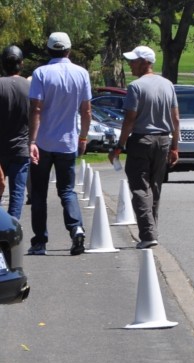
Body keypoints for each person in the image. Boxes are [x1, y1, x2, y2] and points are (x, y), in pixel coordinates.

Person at [108, 45, 179, 249]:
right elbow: (176, 119)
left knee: (140, 188)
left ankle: (148, 234)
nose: (131, 64)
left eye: (134, 61)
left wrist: (119, 146)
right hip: (163, 140)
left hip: (142, 140)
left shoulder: (136, 87)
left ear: (146, 63)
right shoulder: (168, 85)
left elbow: (129, 119)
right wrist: (175, 146)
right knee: (154, 188)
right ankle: (152, 230)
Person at [28, 32, 91, 256]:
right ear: (69, 50)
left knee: (38, 193)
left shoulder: (41, 73)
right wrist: (83, 137)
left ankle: (39, 241)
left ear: (48, 50)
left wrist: (32, 140)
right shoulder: (81, 73)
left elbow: (36, 108)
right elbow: (86, 110)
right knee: (67, 190)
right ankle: (76, 229)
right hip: (68, 141)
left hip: (43, 141)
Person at [0, 45, 30, 220]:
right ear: (22, 64)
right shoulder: (29, 86)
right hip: (21, 147)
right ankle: (13, 229)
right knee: (17, 193)